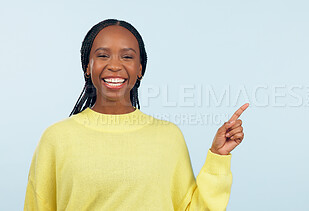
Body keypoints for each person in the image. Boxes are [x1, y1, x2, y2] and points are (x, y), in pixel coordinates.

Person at [23, 18, 249, 211]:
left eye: (127, 57)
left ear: (140, 69)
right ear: (87, 66)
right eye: (103, 55)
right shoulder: (56, 138)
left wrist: (217, 156)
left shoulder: (168, 137)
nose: (114, 65)